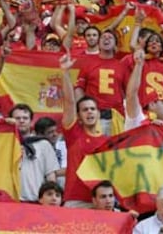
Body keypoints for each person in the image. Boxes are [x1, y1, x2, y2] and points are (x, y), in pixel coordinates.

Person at [59, 52, 108, 208]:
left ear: (98, 113)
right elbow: (69, 102)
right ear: (78, 116)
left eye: (93, 109)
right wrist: (65, 73)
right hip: (76, 200)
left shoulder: (107, 141)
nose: (89, 112)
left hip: (100, 201)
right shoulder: (73, 134)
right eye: (85, 110)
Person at [9, 104, 59, 202]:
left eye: (25, 118)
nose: (21, 121)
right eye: (17, 118)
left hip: (36, 200)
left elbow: (50, 175)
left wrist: (51, 198)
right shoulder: (5, 145)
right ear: (11, 120)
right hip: (10, 201)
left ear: (31, 121)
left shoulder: (43, 144)